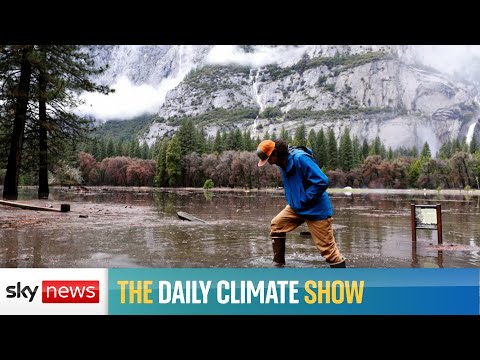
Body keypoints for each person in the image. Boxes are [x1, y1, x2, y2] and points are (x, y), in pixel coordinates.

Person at [256, 138, 346, 268]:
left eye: (269, 158)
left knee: (329, 252)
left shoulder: (300, 159)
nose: (269, 163)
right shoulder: (281, 163)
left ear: (276, 152)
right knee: (277, 225)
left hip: (316, 210)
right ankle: (278, 265)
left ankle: (344, 282)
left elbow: (322, 181)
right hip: (296, 207)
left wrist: (305, 199)